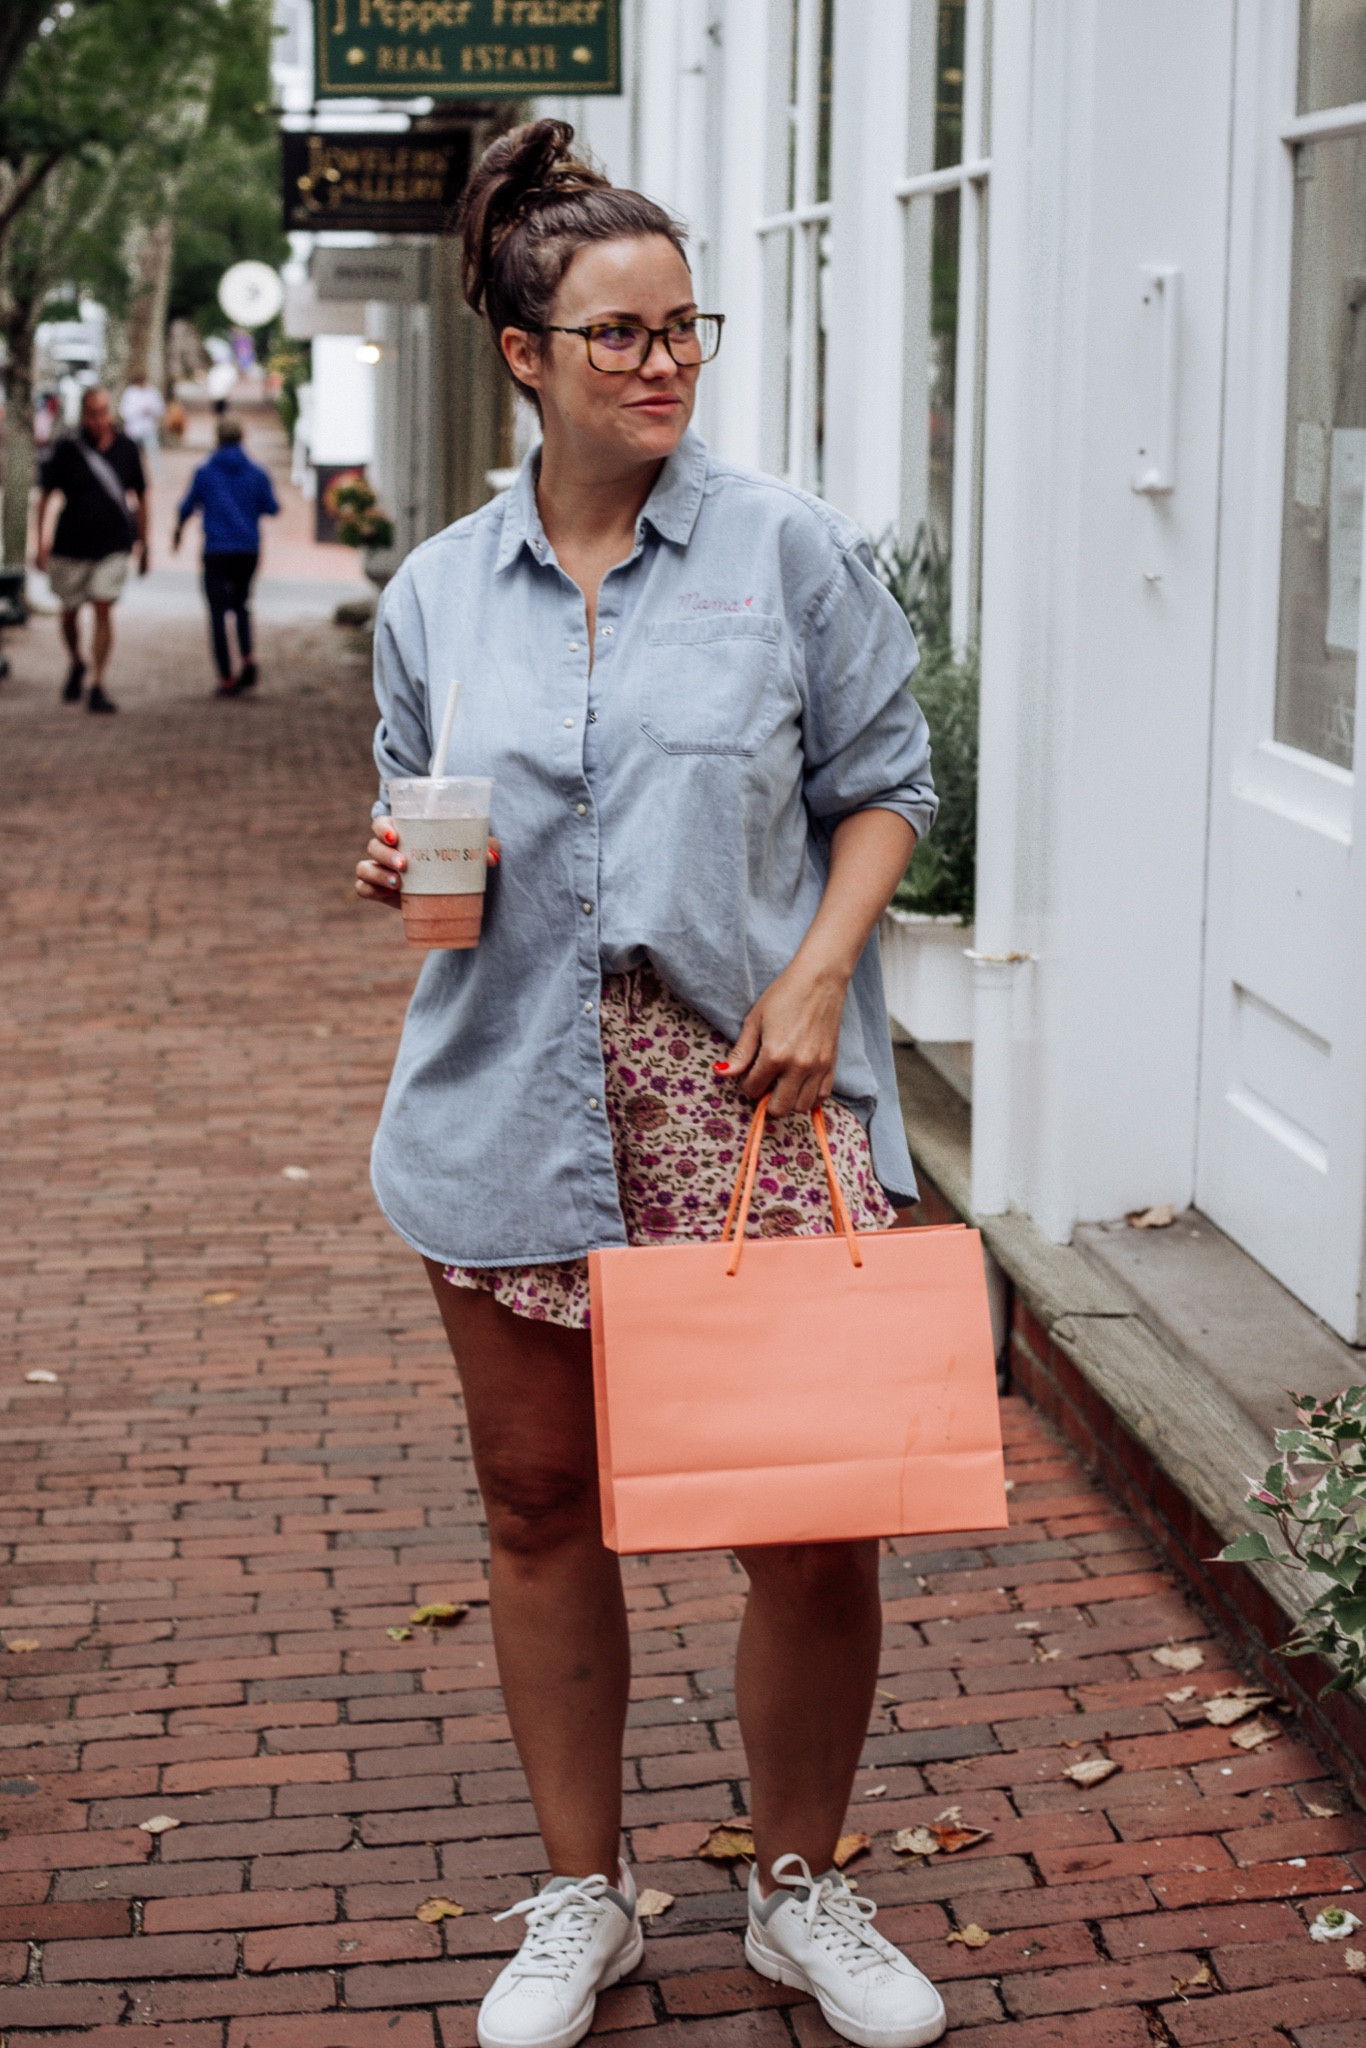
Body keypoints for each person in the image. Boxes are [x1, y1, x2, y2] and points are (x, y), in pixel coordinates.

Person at [354, 122, 944, 2048]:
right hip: (511, 1094)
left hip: (748, 1100)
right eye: (617, 333)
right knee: (539, 1503)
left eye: (685, 324)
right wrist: (398, 864)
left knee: (808, 1515)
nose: (662, 361)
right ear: (523, 352)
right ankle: (581, 1892)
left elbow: (885, 790)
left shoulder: (787, 549)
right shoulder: (439, 594)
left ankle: (797, 1889)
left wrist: (821, 966)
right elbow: (429, 828)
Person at [37, 385, 148, 714]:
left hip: (112, 544)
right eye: (91, 414)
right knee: (69, 612)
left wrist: (145, 542)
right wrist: (40, 542)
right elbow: (46, 496)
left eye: (103, 413)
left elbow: (142, 497)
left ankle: (98, 682)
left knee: (103, 607)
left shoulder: (127, 448)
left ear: (110, 412)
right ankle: (76, 661)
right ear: (83, 415)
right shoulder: (67, 449)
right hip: (71, 543)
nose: (98, 420)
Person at [173, 415, 280, 696]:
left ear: (217, 439)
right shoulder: (256, 472)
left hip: (216, 550)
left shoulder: (205, 471)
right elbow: (271, 507)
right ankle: (247, 657)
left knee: (217, 614)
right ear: (242, 438)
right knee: (243, 604)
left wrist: (178, 531)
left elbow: (186, 506)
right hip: (247, 549)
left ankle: (227, 677)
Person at [118, 373, 165, 480]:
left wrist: (151, 410)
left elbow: (160, 408)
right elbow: (124, 411)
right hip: (134, 429)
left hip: (148, 428)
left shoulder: (152, 392)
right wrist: (139, 411)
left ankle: (158, 476)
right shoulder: (130, 393)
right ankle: (127, 475)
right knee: (130, 454)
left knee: (153, 453)